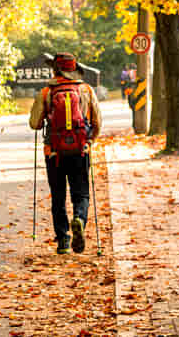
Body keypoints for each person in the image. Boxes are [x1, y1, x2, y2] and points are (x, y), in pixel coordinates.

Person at [29, 53, 102, 254]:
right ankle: (79, 218)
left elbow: (34, 123)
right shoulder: (86, 90)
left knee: (58, 196)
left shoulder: (46, 92)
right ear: (74, 70)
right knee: (81, 193)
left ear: (56, 70)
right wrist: (89, 141)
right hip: (80, 150)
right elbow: (97, 122)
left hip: (54, 152)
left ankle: (63, 241)